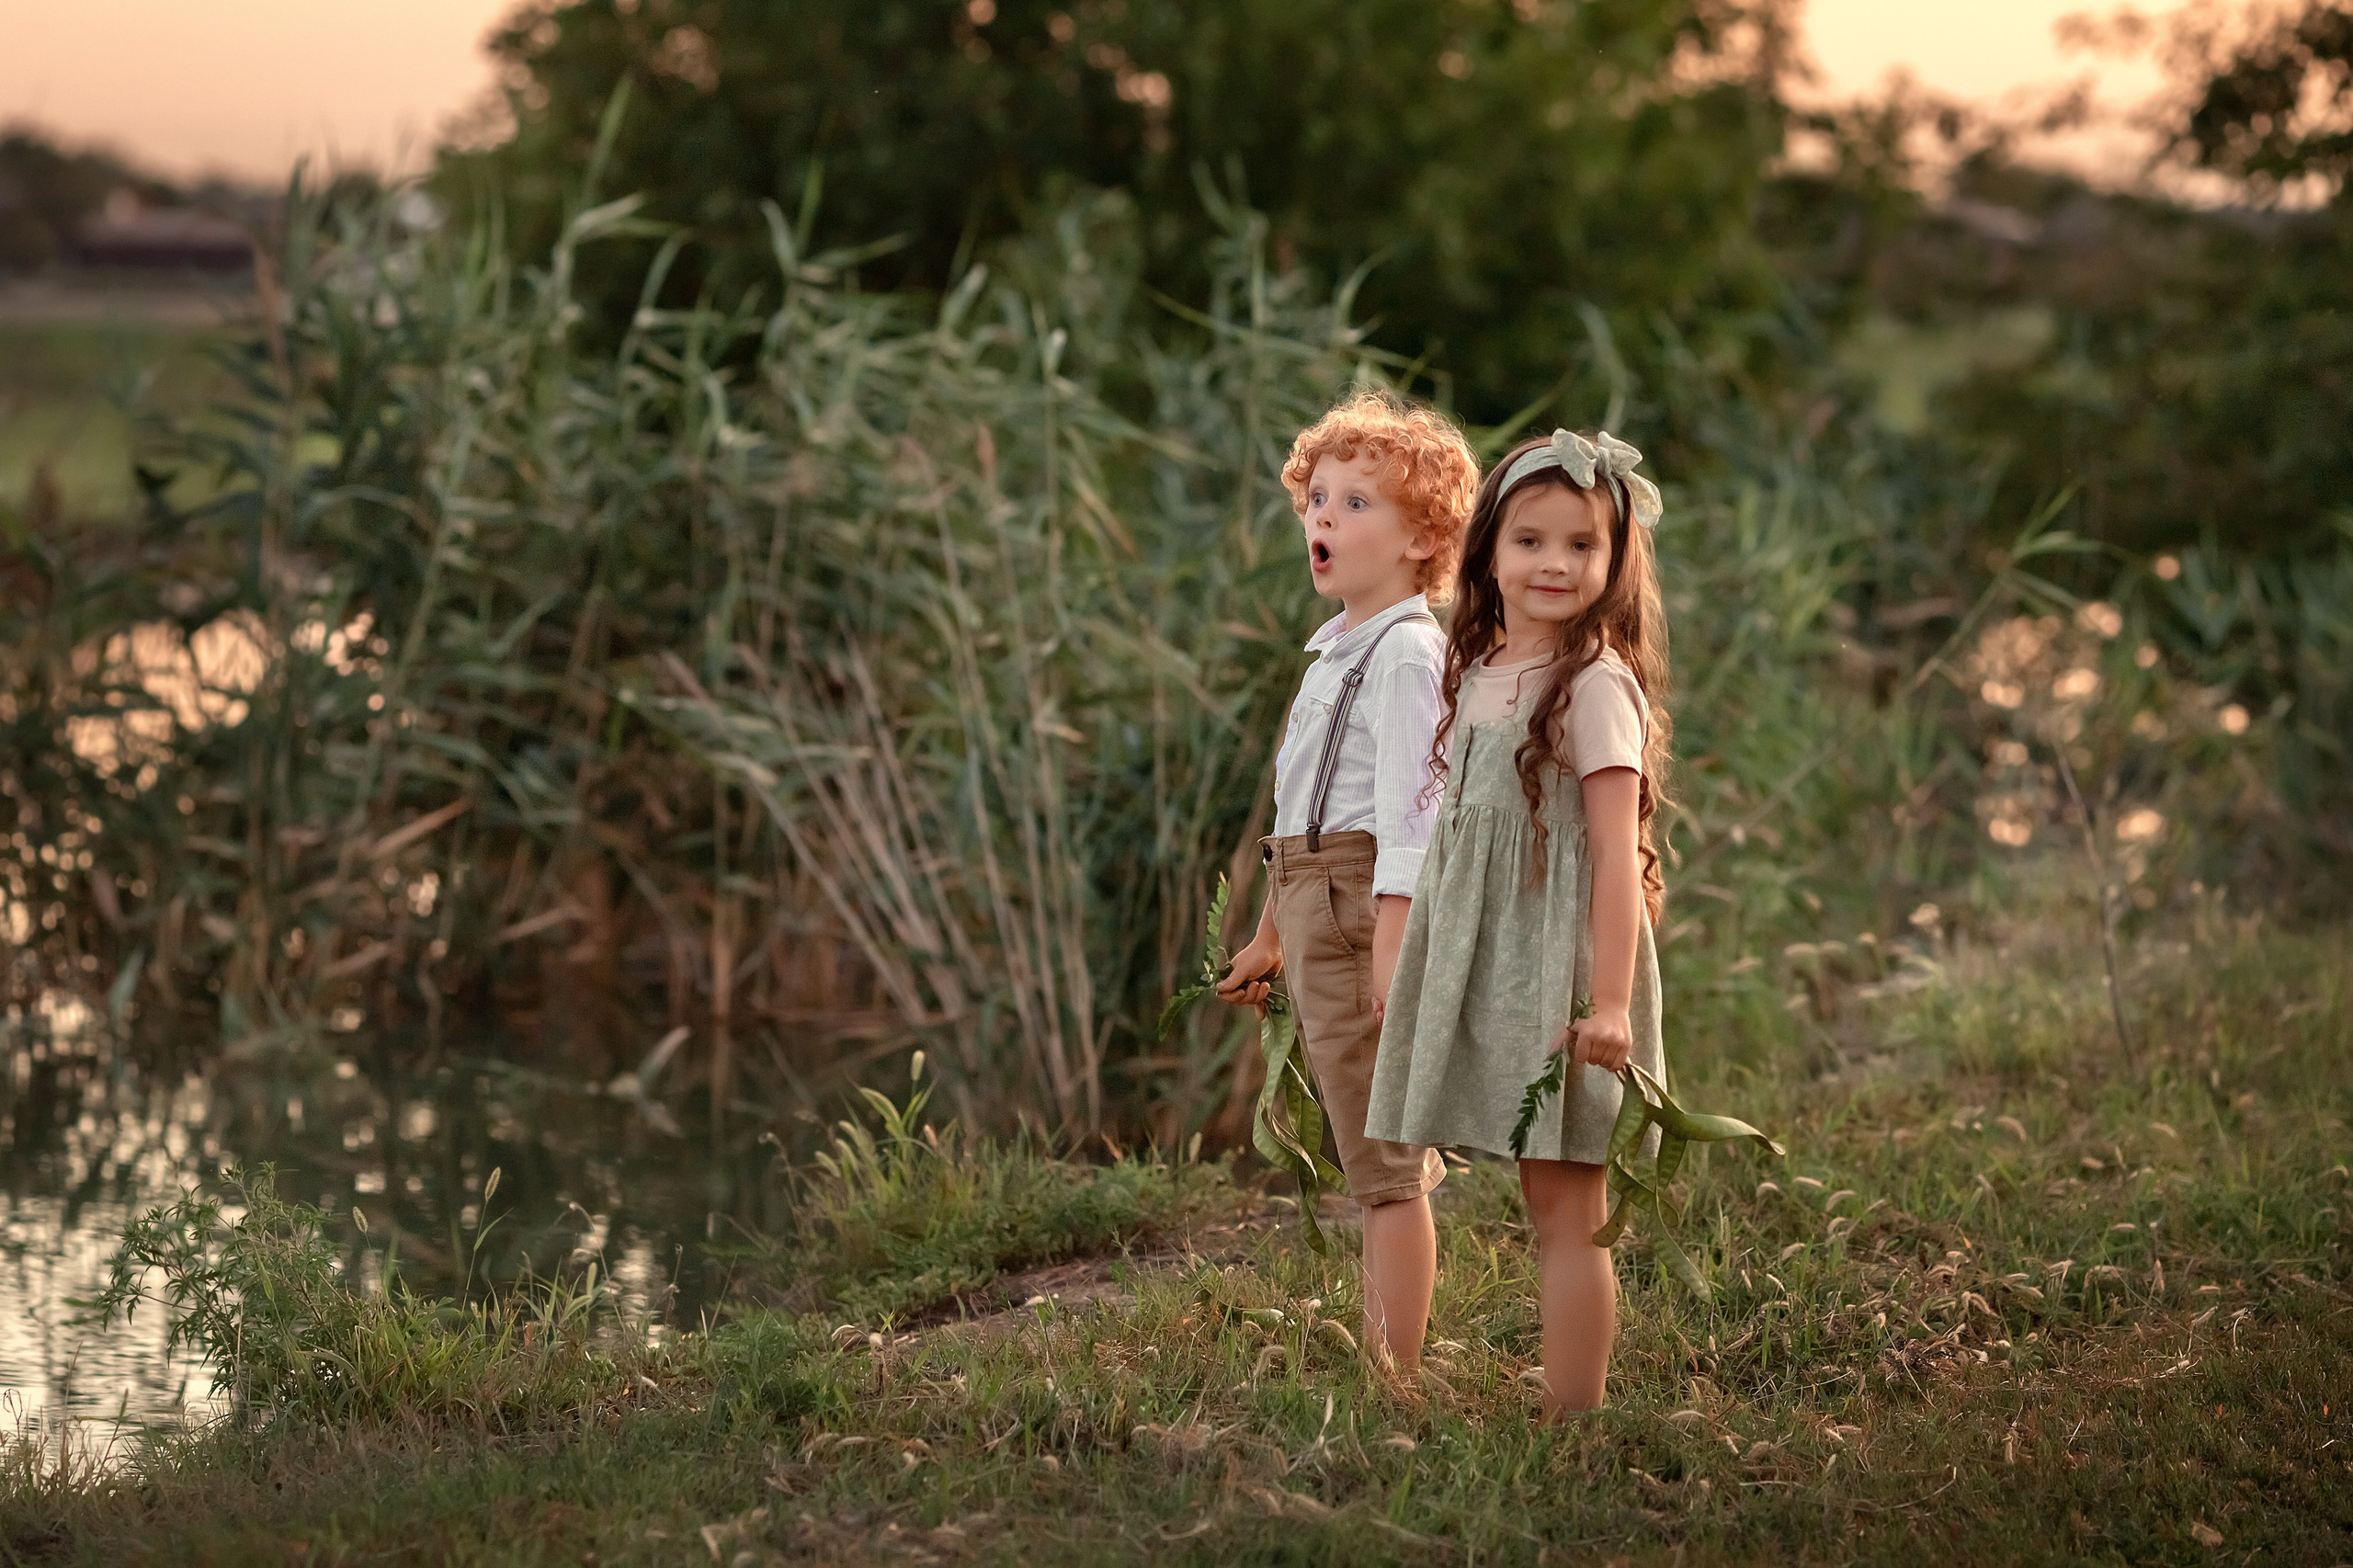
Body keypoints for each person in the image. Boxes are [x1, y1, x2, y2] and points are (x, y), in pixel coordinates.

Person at [1364, 427, 1676, 1417]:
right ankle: (1417, 1380)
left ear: (1613, 561)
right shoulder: (1479, 666)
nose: (1554, 563)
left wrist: (1613, 1002)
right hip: (1484, 959)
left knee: (1564, 1208)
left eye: (1580, 545)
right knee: (1528, 1193)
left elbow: (1617, 860)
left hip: (1560, 968)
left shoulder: (1594, 687)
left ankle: (1572, 1417)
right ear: (1486, 551)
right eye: (1530, 540)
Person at [1214, 387, 1479, 1373]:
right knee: (1365, 1139)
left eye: (1355, 503)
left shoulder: (1409, 653)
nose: (1323, 517)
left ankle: (1394, 1375)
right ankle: (1386, 1350)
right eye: (1317, 499)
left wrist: (1390, 942)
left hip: (1368, 904)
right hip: (1318, 899)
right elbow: (1302, 811)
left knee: (1383, 1168)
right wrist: (1271, 935)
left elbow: (1412, 818)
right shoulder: (1333, 653)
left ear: (1424, 539)